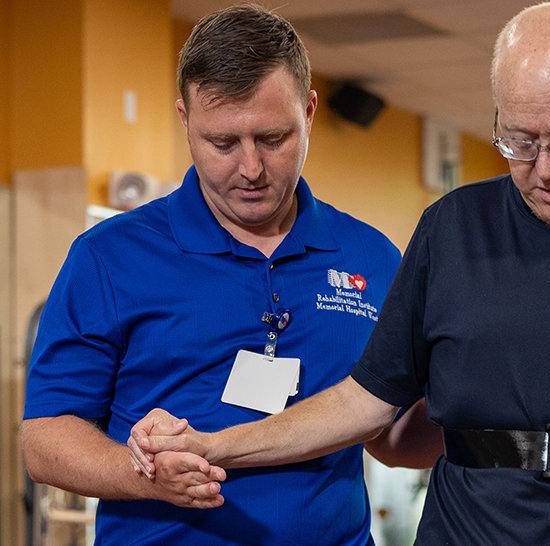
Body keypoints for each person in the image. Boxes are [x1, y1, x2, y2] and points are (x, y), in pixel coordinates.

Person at [129, 2, 550, 545]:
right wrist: (217, 443)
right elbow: (365, 402)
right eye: (519, 140)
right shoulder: (450, 229)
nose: (544, 169)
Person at [22, 5, 441, 546]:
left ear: (309, 112)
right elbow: (46, 440)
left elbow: (392, 437)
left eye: (273, 139)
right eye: (222, 143)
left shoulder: (371, 258)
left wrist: (480, 402)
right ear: (185, 120)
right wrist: (147, 476)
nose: (250, 169)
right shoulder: (108, 257)